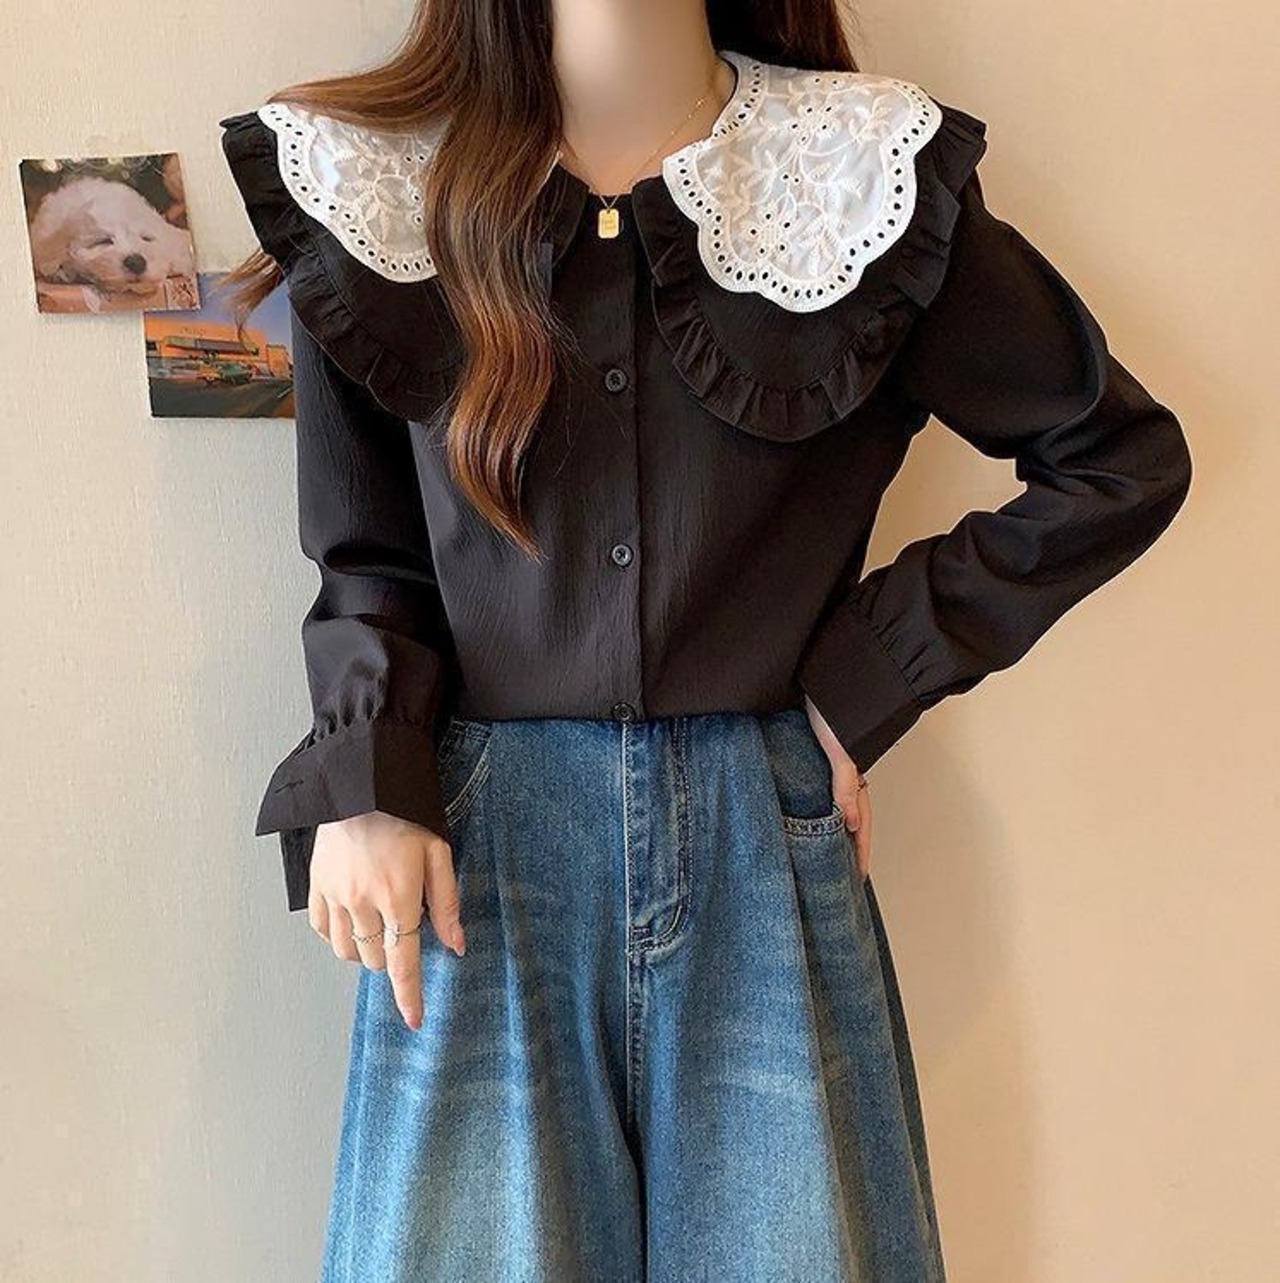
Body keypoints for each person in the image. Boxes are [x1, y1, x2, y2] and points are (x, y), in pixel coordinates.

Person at [218, 2, 1192, 1278]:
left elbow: (1112, 459)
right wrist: (366, 777)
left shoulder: (853, 176)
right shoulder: (379, 182)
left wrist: (868, 673)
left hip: (761, 827)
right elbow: (370, 553)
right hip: (476, 844)